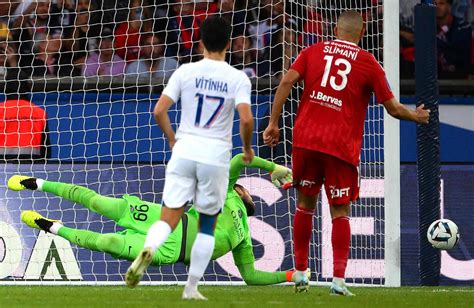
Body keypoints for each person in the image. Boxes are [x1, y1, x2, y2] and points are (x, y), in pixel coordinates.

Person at [263, 10, 430, 296]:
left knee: (305, 204)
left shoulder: (313, 50)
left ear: (336, 30)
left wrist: (274, 122)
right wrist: (416, 116)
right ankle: (338, 281)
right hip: (339, 146)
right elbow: (392, 108)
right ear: (362, 33)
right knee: (339, 211)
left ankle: (301, 271)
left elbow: (287, 81)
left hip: (305, 140)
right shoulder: (368, 63)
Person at [9, 154, 297, 285]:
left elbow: (251, 277)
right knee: (98, 202)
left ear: (248, 201)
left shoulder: (244, 238)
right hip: (166, 219)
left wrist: (288, 275)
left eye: (246, 191)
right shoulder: (228, 194)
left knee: (108, 241)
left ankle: (48, 225)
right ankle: (37, 182)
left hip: (172, 251)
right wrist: (273, 167)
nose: (244, 190)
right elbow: (237, 161)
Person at [126, 16, 254, 300]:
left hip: (184, 151)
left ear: (200, 44)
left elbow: (159, 110)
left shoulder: (185, 71)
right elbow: (246, 118)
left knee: (168, 217)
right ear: (229, 44)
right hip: (215, 157)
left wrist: (172, 139)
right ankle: (191, 287)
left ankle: (150, 248)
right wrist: (246, 149)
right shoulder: (238, 77)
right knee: (207, 225)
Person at [436, 0, 472, 78]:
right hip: (436, 79)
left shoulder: (464, 27)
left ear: (449, 7)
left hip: (461, 78)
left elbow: (456, 49)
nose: (437, 7)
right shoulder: (428, 28)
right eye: (434, 4)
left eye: (441, 3)